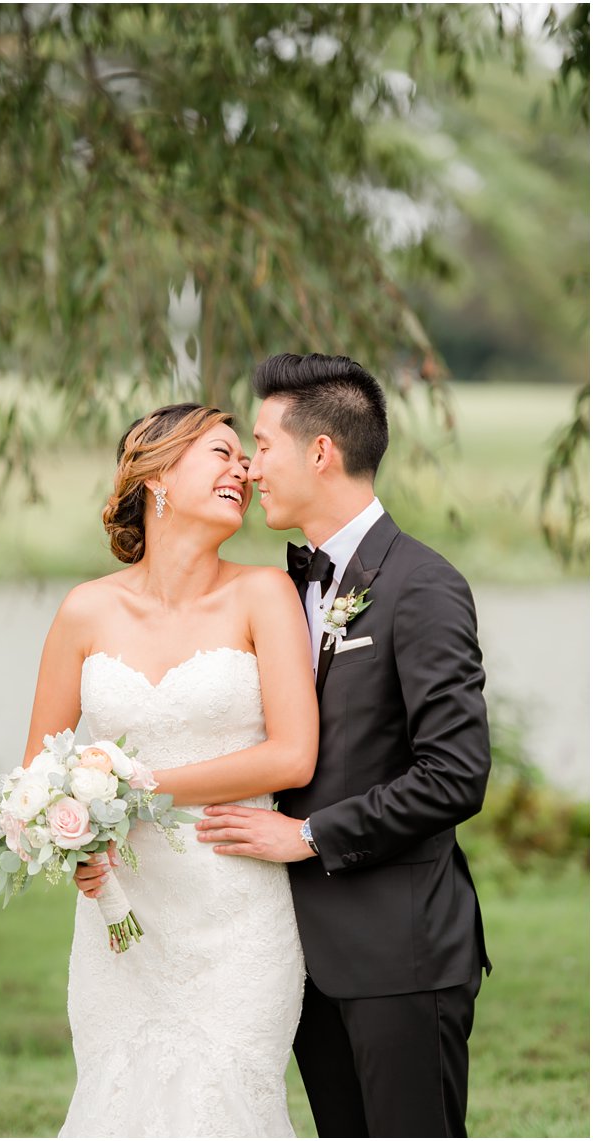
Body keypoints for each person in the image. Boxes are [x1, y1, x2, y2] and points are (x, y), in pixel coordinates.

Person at [194, 352, 491, 1137]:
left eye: (261, 443)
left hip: (401, 952)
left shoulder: (422, 584)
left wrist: (311, 833)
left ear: (319, 451)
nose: (251, 467)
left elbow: (455, 774)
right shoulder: (285, 589)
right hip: (300, 957)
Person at [25, 402, 317, 1137]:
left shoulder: (264, 595)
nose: (243, 469)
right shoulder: (85, 610)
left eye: (243, 456)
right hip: (124, 920)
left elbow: (293, 753)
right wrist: (76, 844)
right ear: (156, 474)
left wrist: (134, 790)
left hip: (236, 911)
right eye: (221, 453)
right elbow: (38, 774)